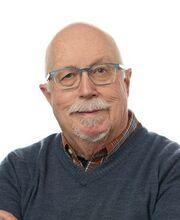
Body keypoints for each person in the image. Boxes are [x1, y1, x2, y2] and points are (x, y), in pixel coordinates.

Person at [0, 22, 180, 220]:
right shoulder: (18, 170)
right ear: (49, 95)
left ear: (125, 83)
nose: (86, 90)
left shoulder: (171, 167)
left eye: (101, 71)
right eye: (68, 76)